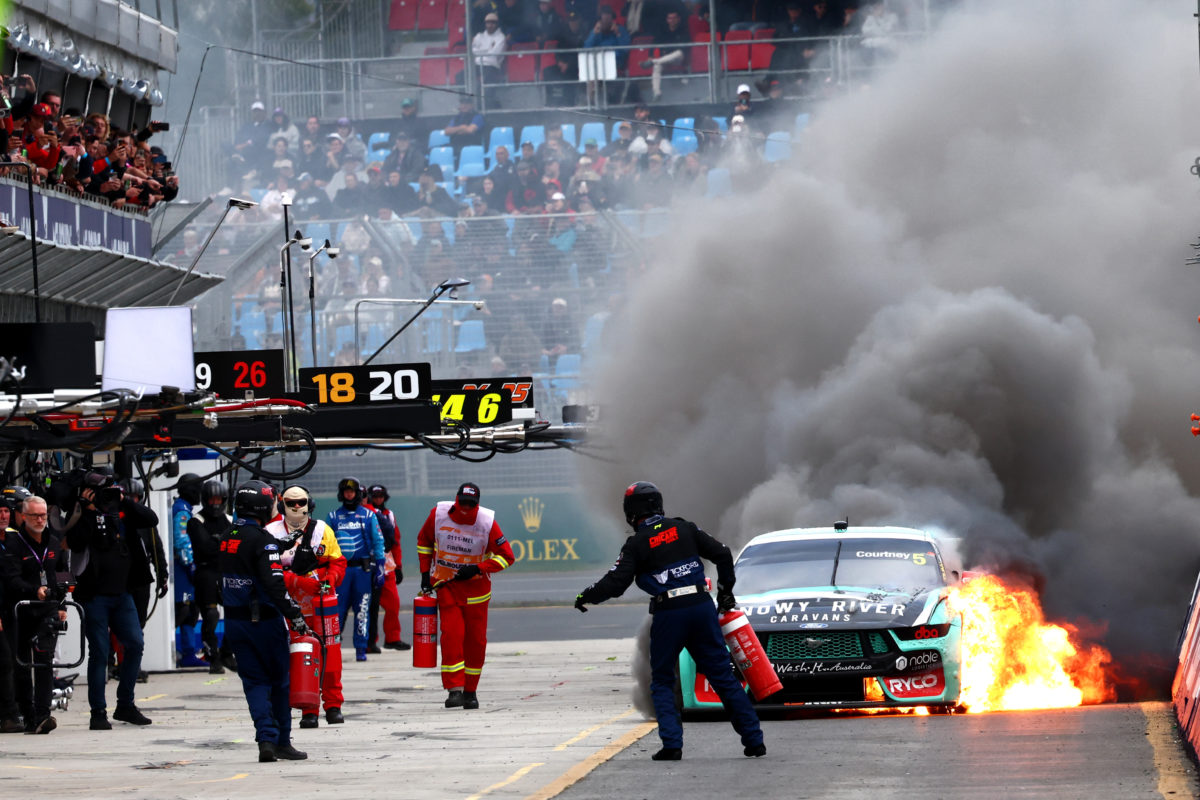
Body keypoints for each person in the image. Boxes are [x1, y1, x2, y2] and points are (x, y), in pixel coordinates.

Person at [573, 482, 765, 761]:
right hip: (701, 606)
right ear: (658, 504)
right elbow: (723, 553)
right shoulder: (685, 528)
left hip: (669, 611)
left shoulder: (637, 543)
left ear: (631, 512)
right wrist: (725, 595)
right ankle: (754, 741)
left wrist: (586, 596)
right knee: (723, 676)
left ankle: (672, 745)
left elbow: (615, 583)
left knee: (662, 679)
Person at [220, 480, 310, 763]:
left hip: (235, 623)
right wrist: (295, 615)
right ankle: (282, 740)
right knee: (279, 683)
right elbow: (275, 585)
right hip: (265, 623)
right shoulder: (262, 541)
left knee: (254, 683)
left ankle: (265, 740)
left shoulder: (227, 535)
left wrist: (276, 544)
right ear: (262, 505)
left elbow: (247, 552)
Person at [65, 471, 158, 731]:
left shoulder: (119, 510)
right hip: (94, 596)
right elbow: (75, 541)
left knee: (136, 644)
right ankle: (98, 712)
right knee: (100, 652)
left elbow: (151, 519)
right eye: (102, 491)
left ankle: (125, 704)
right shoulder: (79, 513)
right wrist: (85, 507)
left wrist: (123, 500)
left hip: (122, 593)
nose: (107, 496)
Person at [417, 482, 514, 709]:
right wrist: (424, 574)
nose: (465, 508)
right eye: (463, 502)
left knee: (476, 643)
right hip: (447, 586)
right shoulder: (438, 514)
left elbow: (507, 557)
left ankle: (471, 691)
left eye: (471, 504)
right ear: (456, 499)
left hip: (477, 594)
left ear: (477, 505)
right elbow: (424, 542)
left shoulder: (487, 522)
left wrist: (479, 568)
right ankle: (454, 690)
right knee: (451, 637)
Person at [266, 485, 347, 728]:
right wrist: (296, 580)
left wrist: (330, 578)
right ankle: (308, 709)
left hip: (323, 606)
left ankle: (333, 705)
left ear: (308, 503)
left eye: (301, 502)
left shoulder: (322, 530)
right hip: (290, 608)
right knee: (301, 659)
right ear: (282, 505)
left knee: (331, 657)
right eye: (291, 502)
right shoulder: (270, 532)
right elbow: (268, 570)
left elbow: (338, 562)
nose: (297, 507)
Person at [8, 496, 65, 733]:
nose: (41, 519)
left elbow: (60, 575)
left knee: (44, 660)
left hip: (47, 611)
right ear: (23, 517)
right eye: (35, 515)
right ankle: (28, 714)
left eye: (43, 515)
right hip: (21, 609)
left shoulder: (53, 542)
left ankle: (43, 715)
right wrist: (34, 590)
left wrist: (61, 604)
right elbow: (11, 578)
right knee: (21, 664)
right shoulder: (13, 543)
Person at [326, 477, 385, 662]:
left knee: (362, 610)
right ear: (341, 494)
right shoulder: (333, 517)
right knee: (337, 611)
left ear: (358, 493)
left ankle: (361, 649)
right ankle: (332, 647)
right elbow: (326, 543)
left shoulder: (368, 516)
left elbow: (378, 541)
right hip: (340, 572)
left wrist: (381, 566)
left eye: (352, 491)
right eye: (346, 491)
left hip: (362, 570)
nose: (349, 494)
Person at [187, 481, 236, 674]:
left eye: (218, 499)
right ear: (205, 500)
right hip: (205, 573)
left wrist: (217, 542)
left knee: (235, 613)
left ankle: (227, 652)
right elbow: (204, 547)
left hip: (226, 571)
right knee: (211, 615)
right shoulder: (195, 521)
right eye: (211, 499)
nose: (215, 504)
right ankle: (212, 655)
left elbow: (234, 546)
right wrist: (222, 543)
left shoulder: (231, 520)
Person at [364, 485, 409, 652]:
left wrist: (399, 566)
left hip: (387, 566)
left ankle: (392, 638)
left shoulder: (389, 515)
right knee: (369, 606)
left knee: (393, 604)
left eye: (381, 495)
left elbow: (395, 541)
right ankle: (369, 642)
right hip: (368, 565)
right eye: (374, 496)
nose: (378, 499)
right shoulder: (364, 513)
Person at [173, 473, 206, 668]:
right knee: (185, 610)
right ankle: (186, 653)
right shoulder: (182, 511)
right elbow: (182, 541)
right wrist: (192, 566)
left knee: (191, 609)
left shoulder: (183, 508)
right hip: (182, 570)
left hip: (182, 569)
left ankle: (188, 652)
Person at [639, 10, 689, 101]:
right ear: (667, 20)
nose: (672, 20)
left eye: (674, 18)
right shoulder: (663, 32)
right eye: (670, 18)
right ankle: (657, 93)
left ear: (678, 19)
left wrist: (652, 60)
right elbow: (654, 43)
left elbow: (685, 50)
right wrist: (650, 55)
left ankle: (652, 62)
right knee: (657, 66)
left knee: (679, 52)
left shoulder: (684, 31)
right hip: (665, 60)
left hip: (678, 60)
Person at [472, 12, 508, 103]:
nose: (490, 25)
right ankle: (466, 101)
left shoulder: (501, 37)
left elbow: (494, 54)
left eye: (492, 23)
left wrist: (481, 52)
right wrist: (487, 51)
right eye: (488, 23)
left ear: (496, 24)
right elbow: (472, 51)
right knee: (460, 76)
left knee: (487, 83)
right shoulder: (479, 36)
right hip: (477, 65)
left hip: (492, 67)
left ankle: (484, 105)